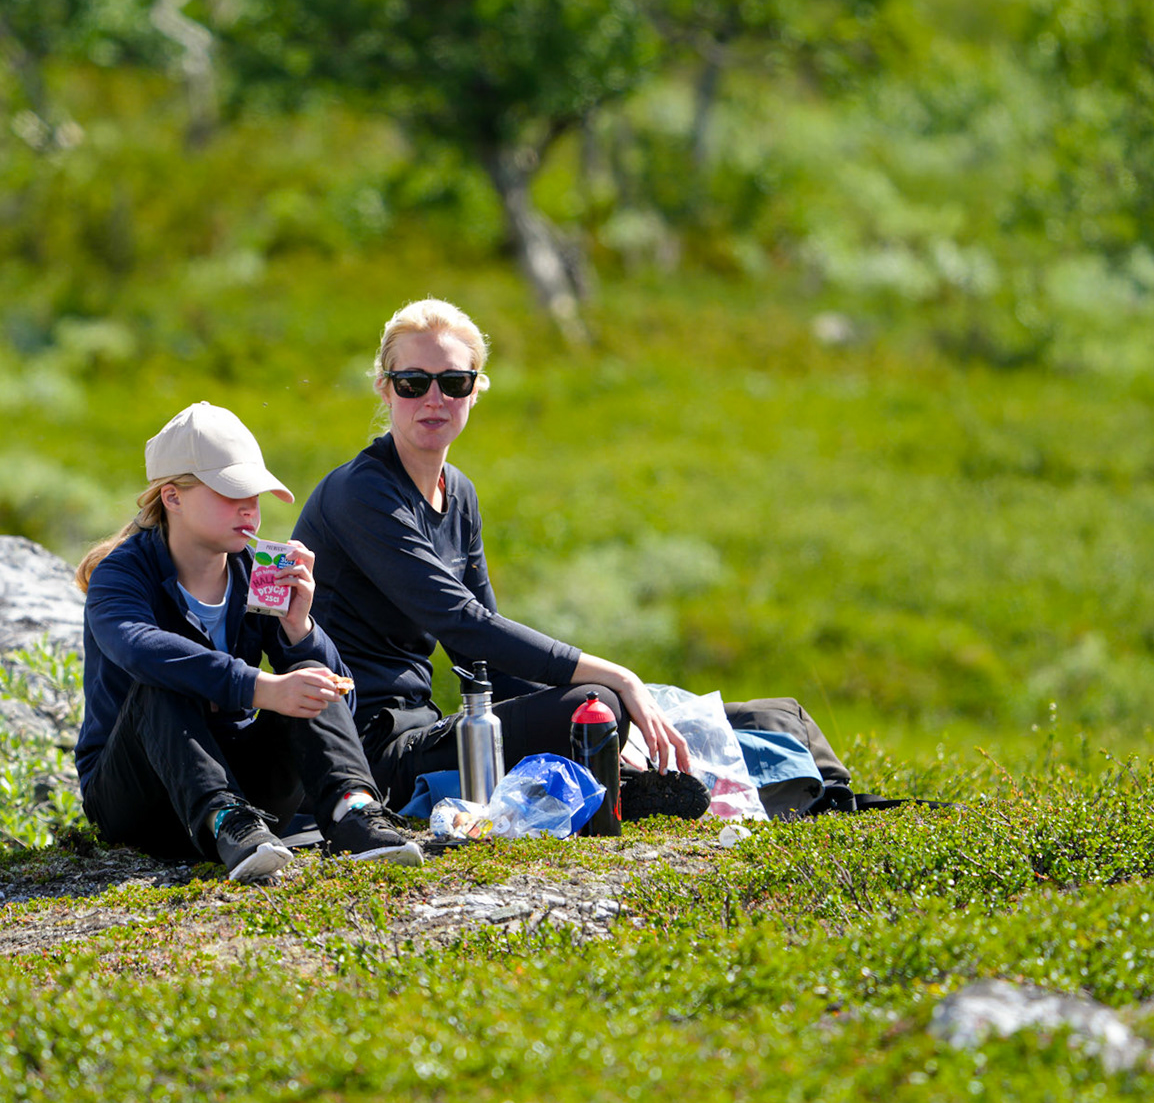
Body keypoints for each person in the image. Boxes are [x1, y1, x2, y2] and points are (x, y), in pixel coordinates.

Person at [293, 299, 877, 820]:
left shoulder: (458, 492)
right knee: (596, 704)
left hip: (430, 726)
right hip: (366, 752)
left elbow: (482, 656)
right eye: (413, 382)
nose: (434, 398)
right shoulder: (362, 493)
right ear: (384, 387)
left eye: (453, 381)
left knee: (731, 712)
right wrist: (616, 680)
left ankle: (815, 797)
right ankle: (631, 788)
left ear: (475, 389)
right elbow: (462, 623)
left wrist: (613, 705)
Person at [73, 401, 423, 883]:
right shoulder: (121, 574)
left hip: (252, 801)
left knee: (311, 677)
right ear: (172, 497)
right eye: (230, 493)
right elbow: (139, 648)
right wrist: (261, 687)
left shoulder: (258, 572)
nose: (250, 510)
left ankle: (355, 816)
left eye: (254, 495)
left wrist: (300, 631)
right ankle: (226, 819)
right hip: (139, 801)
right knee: (161, 678)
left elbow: (340, 700)